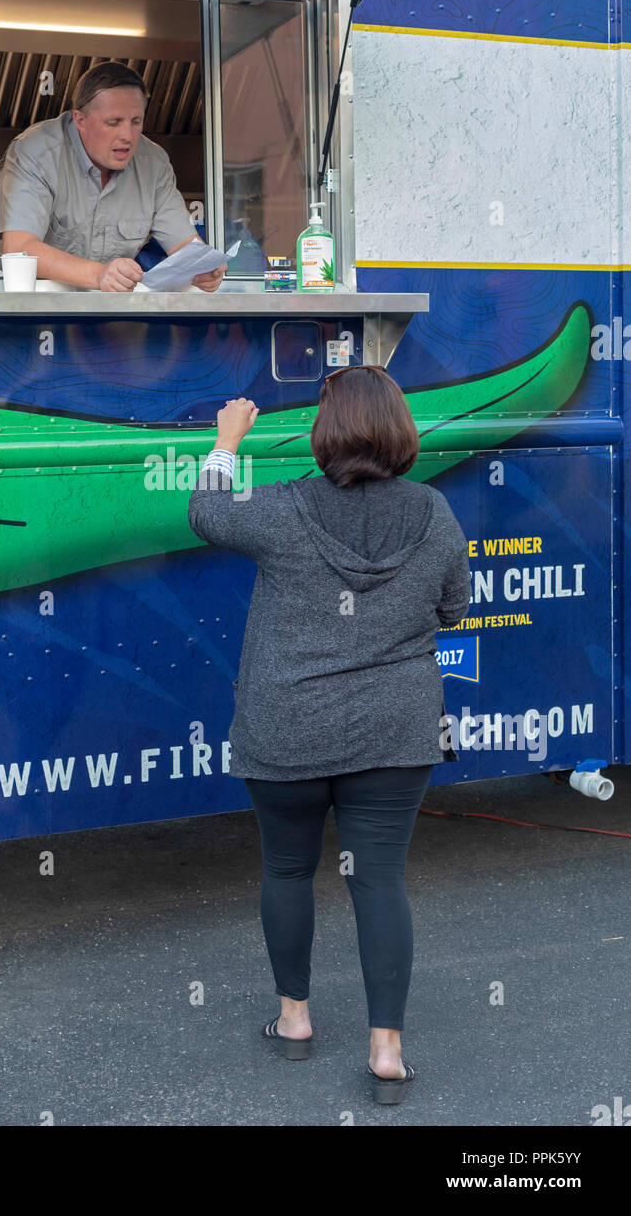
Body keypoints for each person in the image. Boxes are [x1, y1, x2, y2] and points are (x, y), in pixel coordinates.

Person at [187, 366, 471, 1104]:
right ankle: (386, 1053)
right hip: (395, 731)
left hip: (288, 730)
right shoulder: (435, 514)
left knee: (287, 871)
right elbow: (453, 610)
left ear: (325, 432)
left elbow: (207, 513)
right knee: (379, 881)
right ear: (401, 431)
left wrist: (226, 440)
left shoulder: (282, 509)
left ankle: (295, 1022)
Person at [0, 61, 226, 293]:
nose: (127, 136)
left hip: (108, 311)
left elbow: (185, 247)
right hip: (26, 308)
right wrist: (99, 275)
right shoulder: (37, 152)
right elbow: (19, 249)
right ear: (80, 120)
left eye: (136, 122)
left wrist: (205, 268)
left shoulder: (154, 163)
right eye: (113, 123)